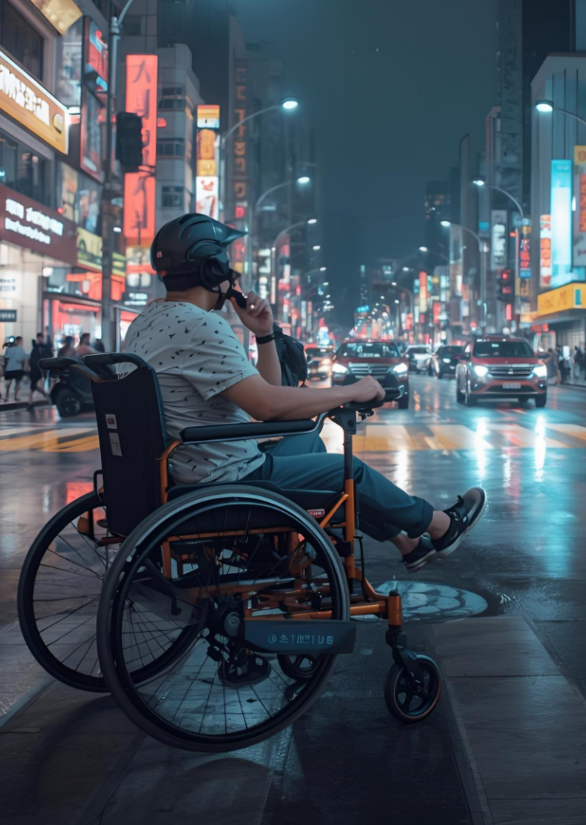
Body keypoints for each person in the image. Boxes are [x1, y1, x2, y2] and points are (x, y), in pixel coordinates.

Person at [122, 214, 486, 575]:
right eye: (226, 263)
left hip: (186, 470)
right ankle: (438, 526)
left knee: (310, 443)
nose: (233, 274)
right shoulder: (201, 325)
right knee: (348, 471)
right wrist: (350, 391)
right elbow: (267, 407)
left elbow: (267, 392)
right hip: (225, 481)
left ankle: (406, 544)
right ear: (212, 269)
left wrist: (263, 335)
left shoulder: (146, 322)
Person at [3, 336, 28, 401]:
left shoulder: (8, 349)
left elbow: (6, 359)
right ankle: (15, 396)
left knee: (8, 382)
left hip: (9, 368)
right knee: (18, 383)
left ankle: (6, 396)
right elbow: (23, 359)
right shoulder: (21, 349)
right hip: (18, 368)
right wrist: (25, 368)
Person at [28, 333, 47, 406]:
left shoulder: (41, 347)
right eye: (40, 338)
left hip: (38, 369)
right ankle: (44, 394)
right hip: (35, 369)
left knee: (34, 386)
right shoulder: (35, 348)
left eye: (41, 338)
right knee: (34, 385)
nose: (41, 339)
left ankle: (31, 402)